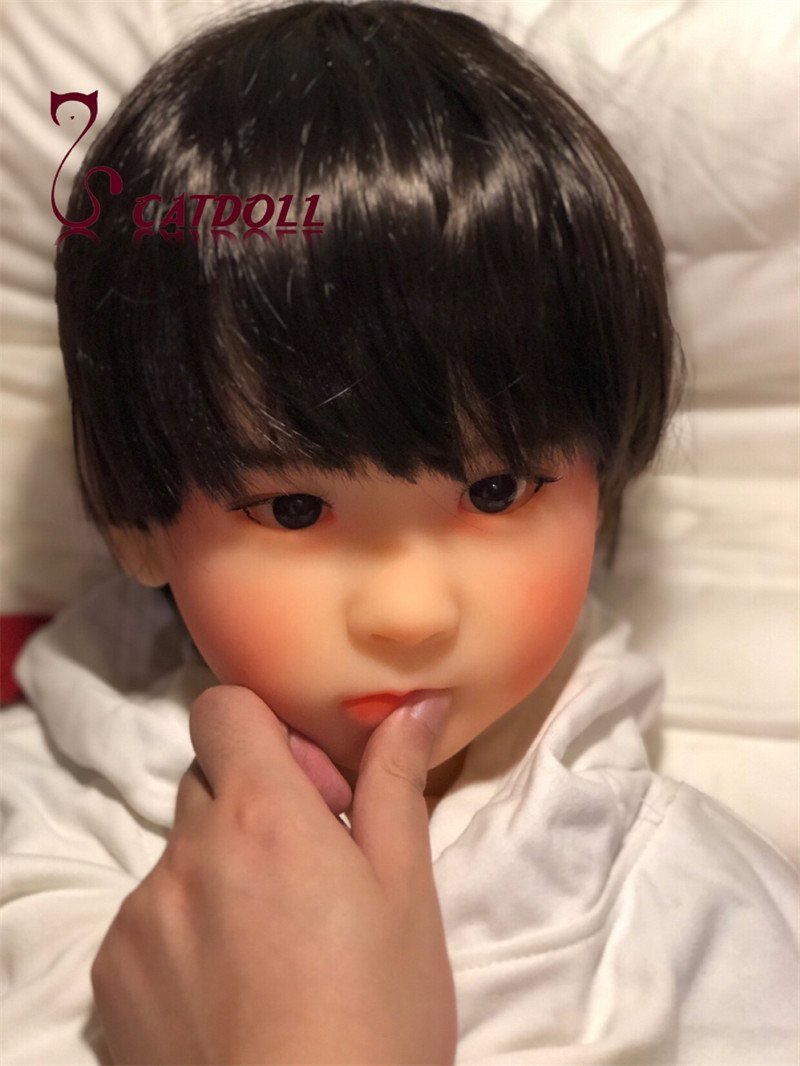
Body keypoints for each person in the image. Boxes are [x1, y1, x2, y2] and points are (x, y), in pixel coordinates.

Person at [2, 1, 797, 1063]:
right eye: (293, 508)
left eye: (497, 489)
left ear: (602, 487)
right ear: (136, 517)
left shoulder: (700, 914)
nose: (411, 614)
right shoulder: (34, 835)